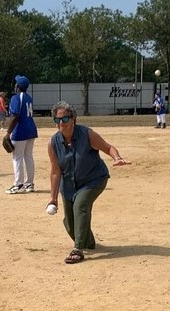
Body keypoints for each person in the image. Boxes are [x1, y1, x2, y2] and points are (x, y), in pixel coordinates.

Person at [47, 101, 131, 264]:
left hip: (93, 180)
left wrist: (117, 158)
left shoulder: (87, 134)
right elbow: (56, 171)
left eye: (65, 119)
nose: (61, 123)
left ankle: (78, 249)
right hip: (69, 185)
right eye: (57, 120)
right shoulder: (53, 143)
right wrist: (53, 198)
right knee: (70, 224)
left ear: (73, 118)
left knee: (81, 206)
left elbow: (108, 147)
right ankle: (88, 242)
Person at [5, 75, 38, 194]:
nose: (15, 85)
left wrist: (8, 133)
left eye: (16, 83)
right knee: (28, 156)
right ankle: (29, 184)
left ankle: (18, 184)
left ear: (18, 86)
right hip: (31, 130)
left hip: (20, 131)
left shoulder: (16, 97)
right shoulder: (29, 97)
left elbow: (15, 116)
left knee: (17, 157)